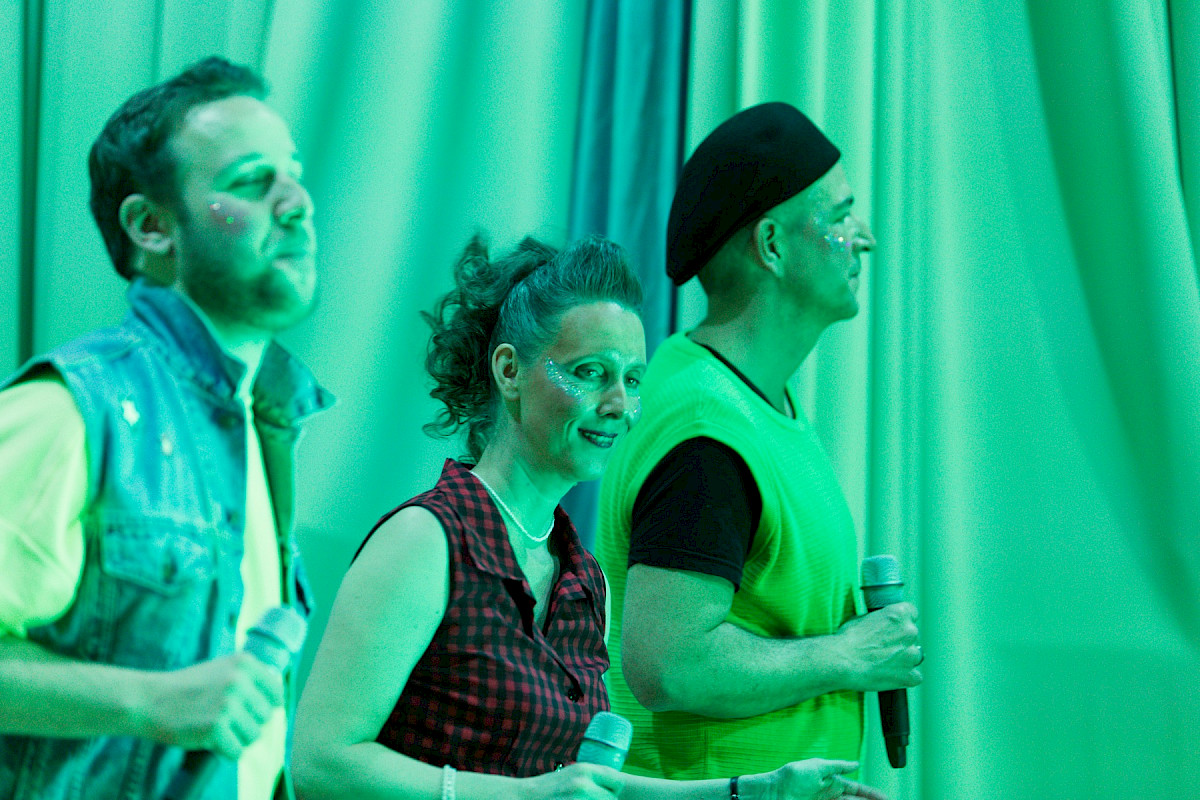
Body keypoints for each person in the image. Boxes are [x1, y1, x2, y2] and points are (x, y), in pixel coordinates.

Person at [291, 234, 887, 800]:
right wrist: (523, 796)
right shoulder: (426, 540)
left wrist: (753, 791)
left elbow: (587, 787)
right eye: (589, 373)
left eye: (632, 379)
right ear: (509, 371)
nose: (619, 404)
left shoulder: (583, 577)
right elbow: (319, 763)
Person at [0, 56, 332, 799]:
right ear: (152, 227)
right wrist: (149, 701)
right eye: (252, 180)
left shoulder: (264, 419)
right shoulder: (68, 409)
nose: (297, 202)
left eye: (293, 173)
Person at [594, 102, 923, 780]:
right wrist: (851, 655)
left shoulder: (756, 407)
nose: (864, 239)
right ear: (771, 245)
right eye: (841, 217)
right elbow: (669, 665)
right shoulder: (706, 433)